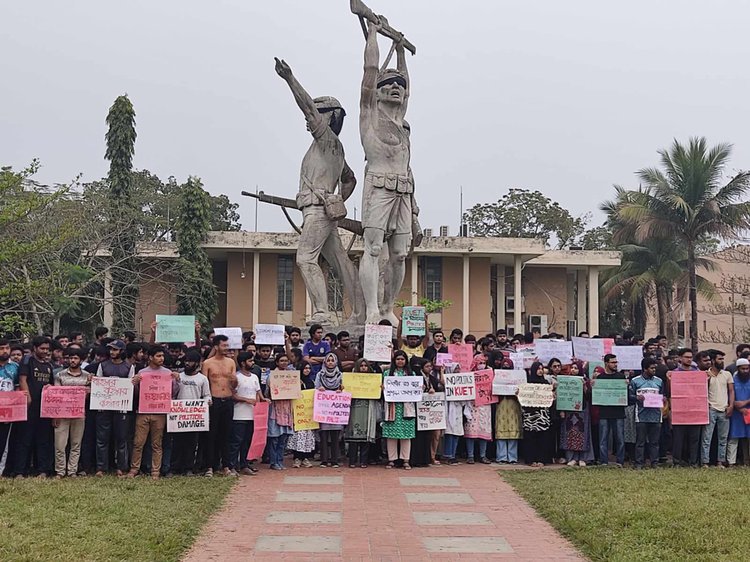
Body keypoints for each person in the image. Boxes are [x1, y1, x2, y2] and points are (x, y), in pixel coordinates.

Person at [358, 19, 416, 325]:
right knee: (373, 247)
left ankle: (387, 307)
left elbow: (408, 81)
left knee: (399, 254)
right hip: (379, 187)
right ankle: (370, 308)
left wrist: (403, 52)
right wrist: (373, 34)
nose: (396, 87)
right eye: (388, 84)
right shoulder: (370, 116)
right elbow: (369, 72)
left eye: (399, 86)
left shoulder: (403, 123)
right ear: (377, 93)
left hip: (404, 191)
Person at [127, 346, 179, 480]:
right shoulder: (142, 372)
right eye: (158, 356)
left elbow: (173, 393)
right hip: (143, 411)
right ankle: (134, 469)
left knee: (157, 443)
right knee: (138, 442)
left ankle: (155, 471)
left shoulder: (168, 373)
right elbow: (137, 394)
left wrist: (176, 380)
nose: (161, 358)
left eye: (162, 356)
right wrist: (135, 383)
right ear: (150, 357)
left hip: (160, 412)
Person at [13, 336, 55, 478]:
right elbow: (22, 379)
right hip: (28, 407)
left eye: (47, 349)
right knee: (25, 439)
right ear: (35, 348)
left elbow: (52, 386)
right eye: (42, 348)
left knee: (43, 439)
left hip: (44, 408)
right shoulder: (27, 361)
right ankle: (20, 471)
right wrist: (28, 397)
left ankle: (42, 470)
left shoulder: (49, 366)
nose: (44, 351)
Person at [201, 335, 239, 477]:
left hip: (228, 399)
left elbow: (234, 385)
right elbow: (205, 384)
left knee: (227, 434)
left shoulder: (231, 362)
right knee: (211, 435)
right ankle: (209, 466)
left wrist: (234, 380)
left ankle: (226, 466)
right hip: (213, 400)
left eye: (227, 345)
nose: (226, 348)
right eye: (223, 345)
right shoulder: (208, 363)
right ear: (216, 346)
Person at [172, 350, 211, 476]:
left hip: (194, 417)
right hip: (178, 416)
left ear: (197, 363)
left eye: (191, 361)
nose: (188, 363)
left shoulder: (202, 379)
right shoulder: (179, 377)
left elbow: (206, 395)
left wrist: (206, 403)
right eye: (186, 361)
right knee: (177, 442)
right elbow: (172, 394)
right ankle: (175, 467)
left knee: (191, 443)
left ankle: (188, 468)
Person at [52, 349, 90, 479]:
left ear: (81, 360)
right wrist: (55, 415)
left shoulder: (87, 376)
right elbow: (56, 395)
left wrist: (89, 389)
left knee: (76, 443)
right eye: (71, 358)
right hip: (62, 414)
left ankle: (72, 470)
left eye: (76, 358)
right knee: (60, 445)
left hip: (79, 414)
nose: (73, 361)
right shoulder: (60, 375)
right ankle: (60, 471)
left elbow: (92, 394)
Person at [670, 350, 710, 467]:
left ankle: (693, 462)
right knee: (678, 439)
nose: (689, 359)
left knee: (694, 439)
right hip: (680, 411)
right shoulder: (675, 373)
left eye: (691, 357)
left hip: (695, 411)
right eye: (686, 357)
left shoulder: (697, 373)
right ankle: (677, 461)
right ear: (680, 358)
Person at [382, 350, 416, 469]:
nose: (400, 361)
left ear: (406, 361)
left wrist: (420, 387)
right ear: (394, 360)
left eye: (402, 359)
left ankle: (405, 459)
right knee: (391, 435)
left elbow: (416, 389)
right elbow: (383, 390)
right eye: (398, 359)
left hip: (406, 408)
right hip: (393, 407)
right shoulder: (387, 374)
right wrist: (383, 388)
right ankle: (392, 459)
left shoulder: (411, 374)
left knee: (406, 435)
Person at [229, 351, 261, 476]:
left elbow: (258, 393)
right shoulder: (236, 377)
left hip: (252, 415)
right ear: (243, 363)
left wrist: (263, 401)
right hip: (238, 414)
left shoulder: (254, 377)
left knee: (247, 441)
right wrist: (246, 400)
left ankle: (244, 464)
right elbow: (232, 395)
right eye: (250, 361)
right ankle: (232, 465)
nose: (252, 363)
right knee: (236, 441)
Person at [345, 358, 382, 468]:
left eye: (365, 366)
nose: (364, 368)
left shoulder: (373, 380)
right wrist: (343, 389)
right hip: (354, 409)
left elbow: (379, 396)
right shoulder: (351, 379)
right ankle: (352, 461)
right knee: (353, 434)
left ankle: (363, 461)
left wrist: (380, 389)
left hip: (368, 409)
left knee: (366, 435)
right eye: (361, 366)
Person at [629, 358, 664, 469]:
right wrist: (636, 397)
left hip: (656, 415)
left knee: (654, 442)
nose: (654, 370)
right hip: (641, 415)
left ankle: (654, 462)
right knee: (640, 441)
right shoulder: (635, 381)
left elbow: (663, 394)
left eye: (655, 368)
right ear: (645, 369)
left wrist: (663, 399)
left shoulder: (659, 381)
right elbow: (629, 396)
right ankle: (639, 463)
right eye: (652, 368)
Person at [701, 349, 733, 467]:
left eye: (723, 359)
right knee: (706, 438)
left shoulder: (727, 374)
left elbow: (731, 391)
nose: (722, 361)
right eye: (720, 359)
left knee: (723, 438)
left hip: (724, 409)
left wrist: (731, 405)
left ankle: (720, 461)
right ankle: (705, 462)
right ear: (713, 360)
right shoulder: (705, 374)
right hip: (711, 409)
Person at [594, 354, 627, 467]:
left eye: (616, 362)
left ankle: (620, 461)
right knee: (603, 439)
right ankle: (604, 461)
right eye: (613, 362)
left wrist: (626, 386)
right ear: (606, 363)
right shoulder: (600, 378)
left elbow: (625, 395)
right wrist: (593, 386)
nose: (615, 364)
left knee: (620, 439)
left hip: (618, 412)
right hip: (604, 412)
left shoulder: (621, 377)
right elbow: (595, 396)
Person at [409, 358, 443, 467]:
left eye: (430, 366)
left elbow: (441, 386)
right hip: (419, 409)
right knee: (419, 436)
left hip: (429, 410)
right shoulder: (417, 378)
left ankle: (427, 458)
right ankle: (417, 459)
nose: (429, 368)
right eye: (427, 366)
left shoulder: (432, 378)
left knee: (429, 436)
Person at [559, 362, 594, 467]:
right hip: (570, 411)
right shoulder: (566, 381)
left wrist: (584, 386)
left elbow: (589, 396)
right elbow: (563, 396)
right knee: (570, 434)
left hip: (582, 411)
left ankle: (583, 458)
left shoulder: (585, 381)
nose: (573, 370)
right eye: (572, 368)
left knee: (583, 434)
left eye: (576, 368)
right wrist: (562, 410)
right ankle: (572, 458)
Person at [265, 354, 295, 470]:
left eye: (286, 361)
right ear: (277, 362)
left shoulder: (291, 376)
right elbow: (268, 393)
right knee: (274, 438)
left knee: (283, 438)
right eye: (281, 361)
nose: (284, 363)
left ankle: (280, 461)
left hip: (287, 409)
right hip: (275, 409)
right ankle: (273, 462)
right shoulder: (272, 376)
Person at [315, 352, 345, 468]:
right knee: (323, 435)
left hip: (336, 410)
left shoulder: (340, 375)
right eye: (328, 360)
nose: (330, 363)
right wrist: (319, 389)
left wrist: (340, 391)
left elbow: (345, 388)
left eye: (333, 360)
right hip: (323, 409)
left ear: (336, 362)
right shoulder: (320, 375)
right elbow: (316, 388)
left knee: (335, 436)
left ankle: (335, 460)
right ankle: (324, 460)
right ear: (325, 362)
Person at [522, 361, 554, 467]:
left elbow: (550, 399)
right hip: (530, 415)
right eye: (538, 368)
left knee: (543, 438)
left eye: (541, 368)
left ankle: (542, 459)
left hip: (542, 415)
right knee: (530, 438)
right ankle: (531, 459)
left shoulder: (545, 383)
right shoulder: (527, 383)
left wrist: (552, 393)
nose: (540, 370)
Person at [289, 361, 317, 468]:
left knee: (308, 436)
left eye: (309, 368)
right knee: (298, 435)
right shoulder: (295, 382)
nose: (307, 370)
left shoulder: (311, 382)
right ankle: (297, 458)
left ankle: (305, 457)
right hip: (298, 413)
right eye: (305, 368)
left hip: (308, 415)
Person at [0, 339, 21, 473]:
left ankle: (1, 470)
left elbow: (18, 388)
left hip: (7, 410)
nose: (5, 351)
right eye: (1, 348)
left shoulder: (15, 367)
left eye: (7, 348)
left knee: (4, 441)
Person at [727, 358, 750, 466]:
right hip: (736, 413)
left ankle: (747, 461)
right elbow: (729, 395)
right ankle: (731, 462)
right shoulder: (732, 380)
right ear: (738, 368)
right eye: (743, 369)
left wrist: (745, 403)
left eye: (747, 368)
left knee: (748, 437)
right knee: (734, 437)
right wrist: (738, 407)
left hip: (748, 412)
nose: (745, 371)